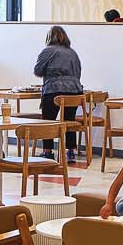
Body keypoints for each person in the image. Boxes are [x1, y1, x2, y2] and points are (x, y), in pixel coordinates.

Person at [33, 25, 83, 159]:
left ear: (49, 37)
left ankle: (48, 152)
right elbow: (78, 72)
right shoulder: (73, 53)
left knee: (48, 121)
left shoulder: (48, 51)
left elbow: (37, 70)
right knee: (69, 121)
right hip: (74, 90)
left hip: (53, 89)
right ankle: (70, 152)